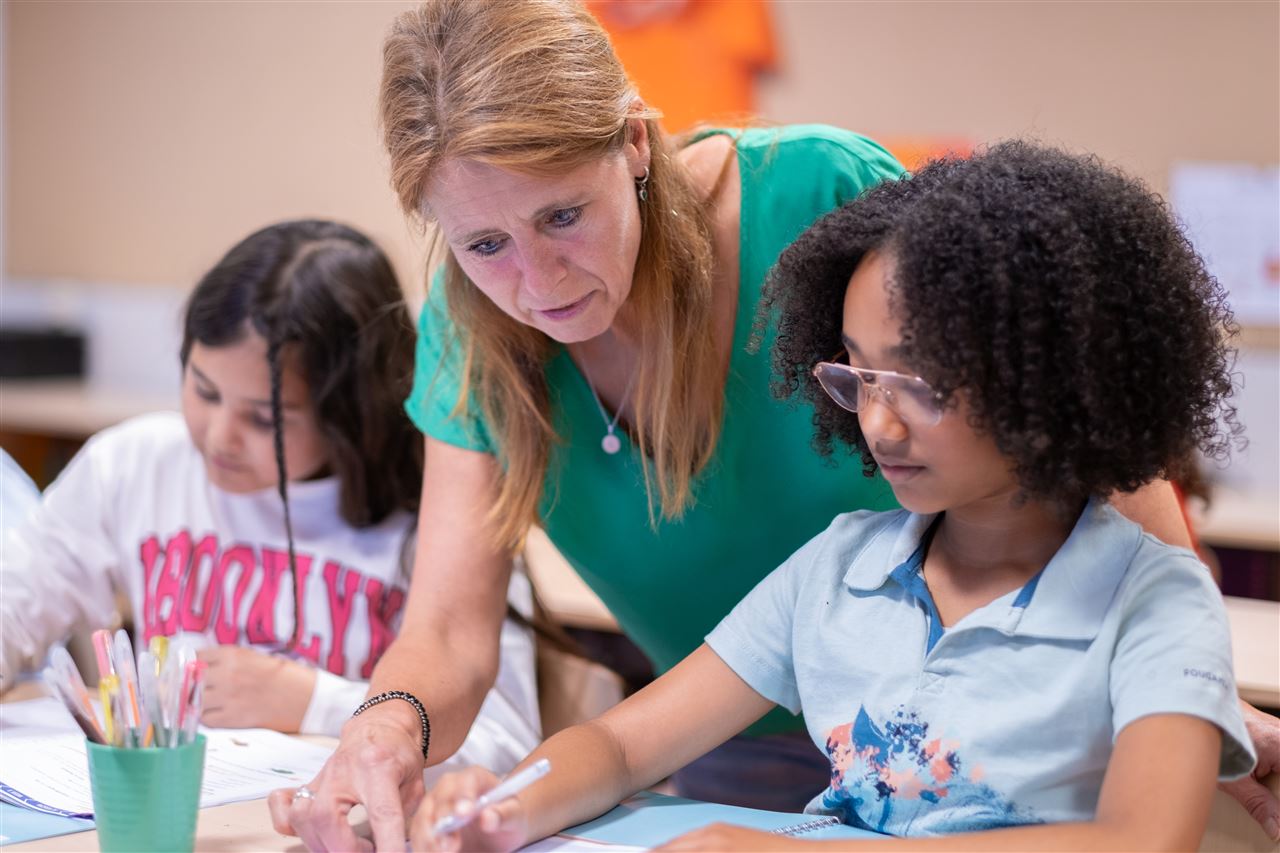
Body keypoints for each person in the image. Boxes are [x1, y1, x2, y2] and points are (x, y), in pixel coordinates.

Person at [270, 2, 1277, 849]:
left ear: (633, 143)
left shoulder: (819, 195)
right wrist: (423, 759)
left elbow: (1070, 381)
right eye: (483, 243)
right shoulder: (827, 574)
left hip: (1021, 736)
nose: (535, 283)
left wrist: (1180, 684)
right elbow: (491, 661)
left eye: (562, 216)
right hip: (745, 735)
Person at [0, 220, 540, 776]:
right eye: (204, 390)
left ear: (350, 412)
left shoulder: (451, 516)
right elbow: (15, 603)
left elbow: (509, 749)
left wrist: (313, 703)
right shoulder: (134, 466)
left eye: (265, 419)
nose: (219, 437)